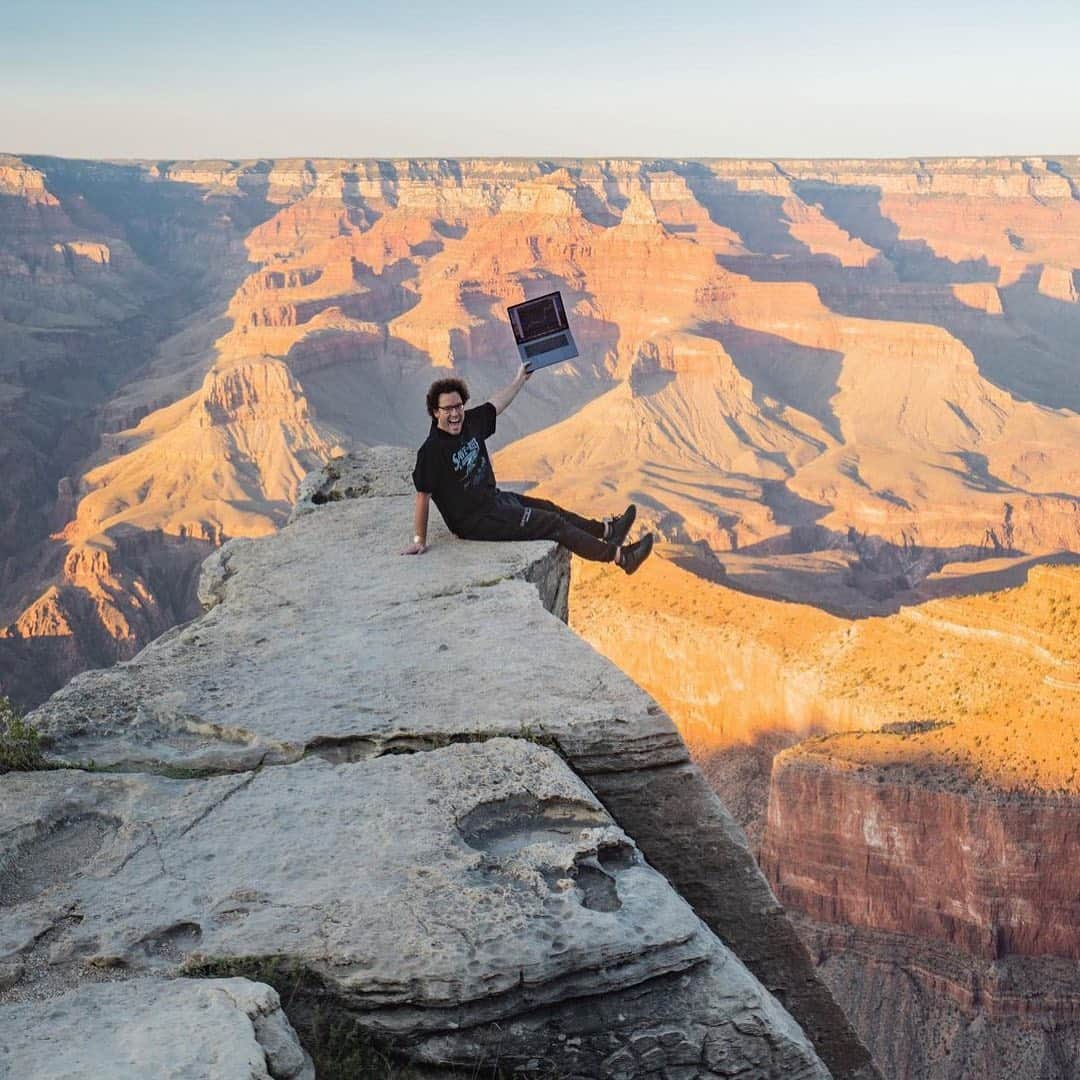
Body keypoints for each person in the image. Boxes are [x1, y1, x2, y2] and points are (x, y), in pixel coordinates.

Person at [401, 364, 654, 574]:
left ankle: (608, 531)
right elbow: (423, 495)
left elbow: (495, 405)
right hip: (476, 521)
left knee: (549, 508)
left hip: (495, 500)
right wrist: (419, 541)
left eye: (458, 406)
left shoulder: (470, 422)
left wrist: (519, 379)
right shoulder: (432, 451)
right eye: (448, 409)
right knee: (552, 524)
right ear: (435, 412)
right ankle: (622, 558)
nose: (455, 413)